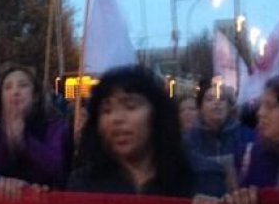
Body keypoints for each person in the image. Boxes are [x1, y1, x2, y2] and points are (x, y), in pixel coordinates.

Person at [68, 66, 195, 196]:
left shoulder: (196, 177)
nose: (116, 119)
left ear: (157, 113)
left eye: (130, 107)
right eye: (107, 110)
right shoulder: (82, 185)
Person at [0, 66, 72, 187]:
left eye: (23, 85)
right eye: (8, 87)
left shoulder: (55, 127)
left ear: (35, 96)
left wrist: (25, 142)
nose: (15, 92)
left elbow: (58, 170)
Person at [184, 79, 254, 196]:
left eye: (221, 99)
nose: (216, 103)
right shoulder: (188, 142)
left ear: (229, 106)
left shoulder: (248, 138)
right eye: (209, 99)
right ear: (200, 108)